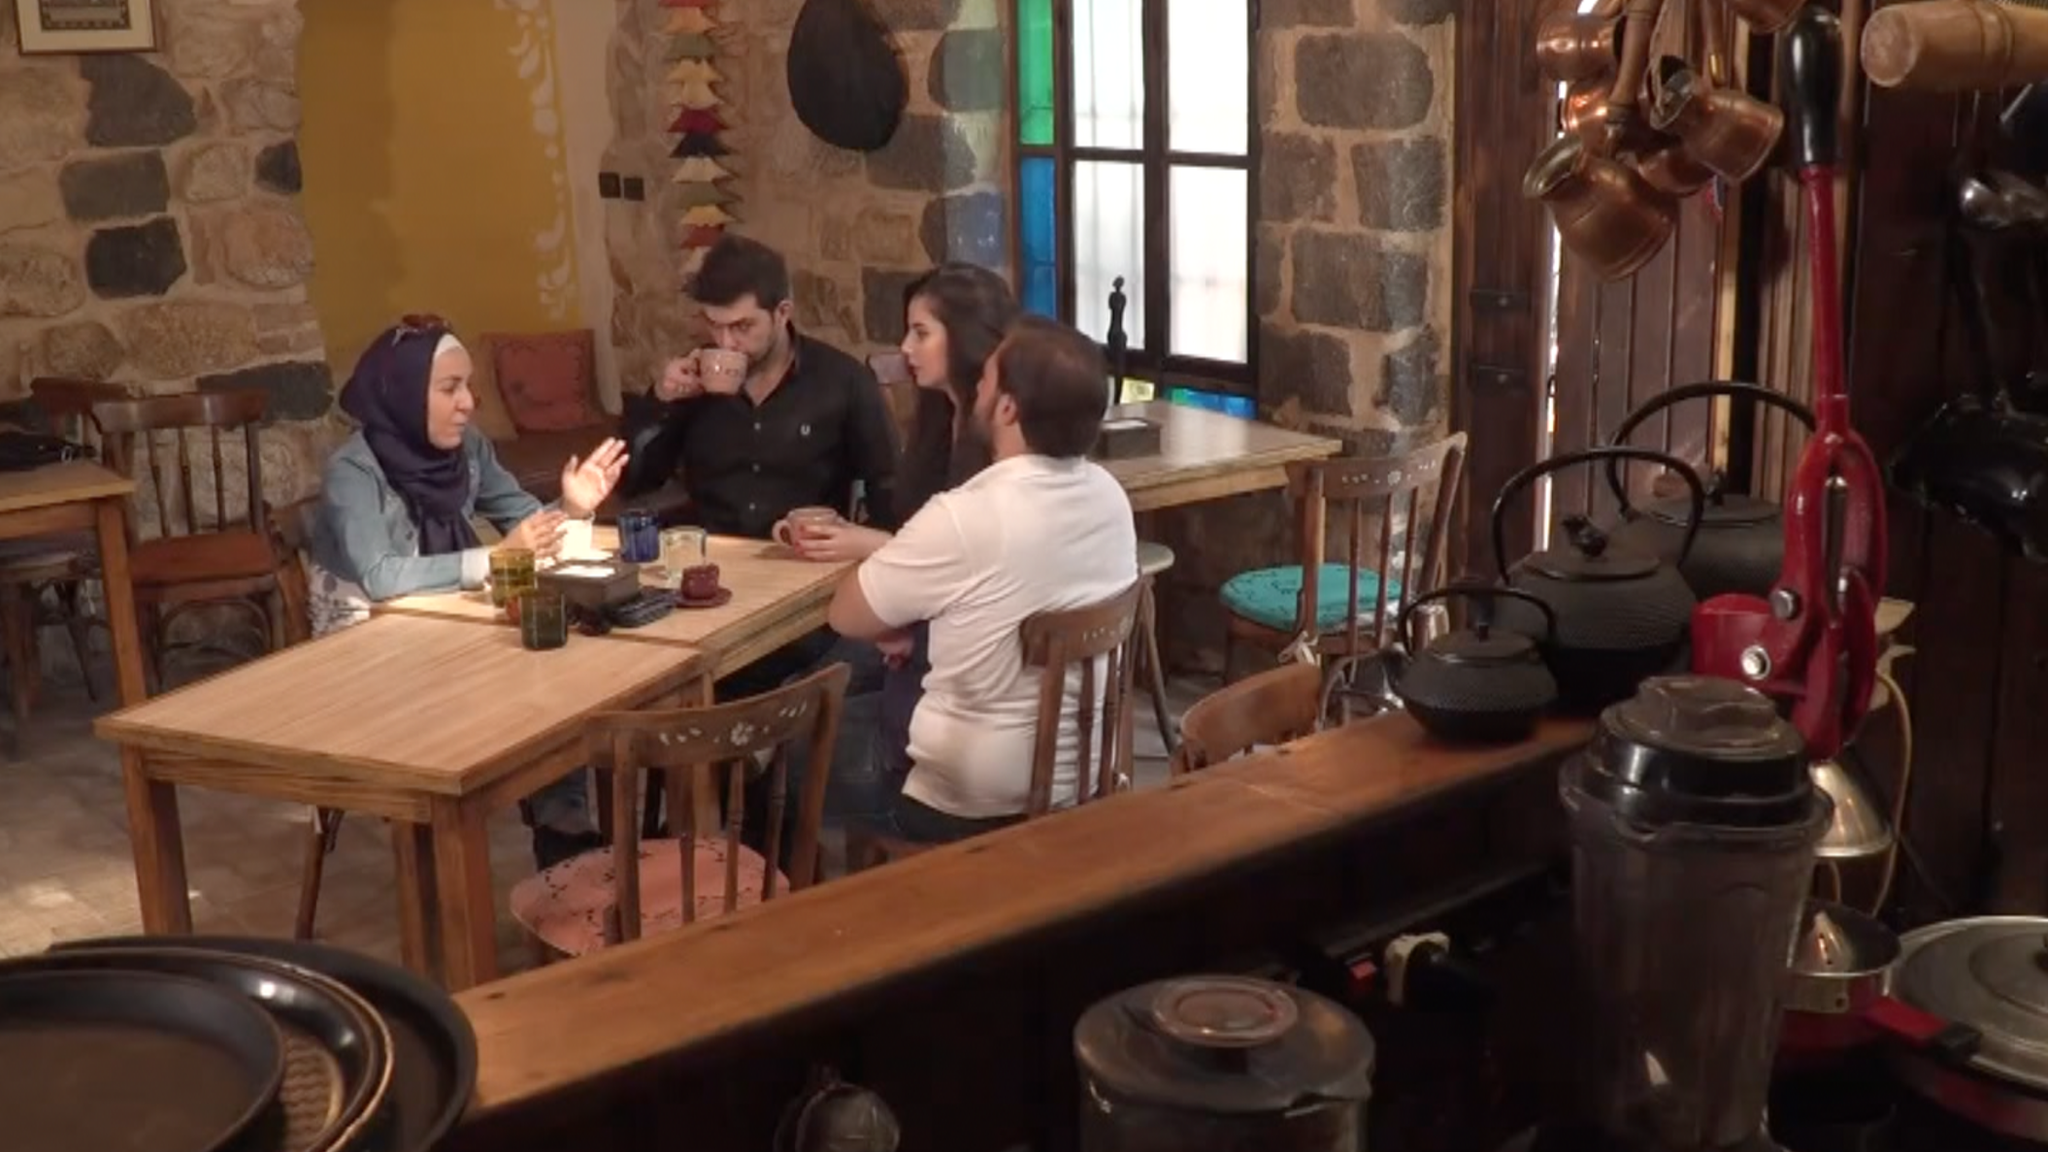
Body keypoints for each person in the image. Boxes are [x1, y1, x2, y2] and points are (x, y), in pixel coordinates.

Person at [306, 314, 627, 866]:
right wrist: (498, 559)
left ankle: (562, 824)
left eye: (468, 387)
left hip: (447, 627)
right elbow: (380, 576)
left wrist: (571, 508)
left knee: (557, 661)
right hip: (367, 655)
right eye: (449, 388)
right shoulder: (353, 471)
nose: (468, 403)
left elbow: (524, 527)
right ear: (405, 394)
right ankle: (464, 881)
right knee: (521, 675)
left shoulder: (467, 448)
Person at [825, 315, 1138, 844]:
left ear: (1008, 407)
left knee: (785, 759)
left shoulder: (967, 516)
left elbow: (846, 612)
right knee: (859, 699)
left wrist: (892, 627)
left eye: (987, 379)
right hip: (1080, 776)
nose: (977, 389)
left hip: (962, 800)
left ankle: (816, 918)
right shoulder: (1110, 496)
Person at [793, 264, 1018, 808]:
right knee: (816, 686)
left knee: (806, 714)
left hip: (964, 652)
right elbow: (925, 540)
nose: (905, 347)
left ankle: (775, 849)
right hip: (926, 624)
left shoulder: (1003, 442)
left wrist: (869, 548)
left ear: (966, 337)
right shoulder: (942, 420)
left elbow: (968, 558)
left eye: (921, 332)